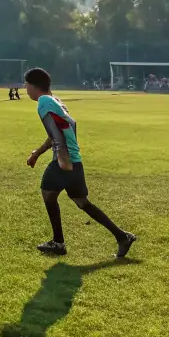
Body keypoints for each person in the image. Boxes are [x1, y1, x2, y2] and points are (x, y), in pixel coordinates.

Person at [24, 66, 136, 259]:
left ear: (34, 86)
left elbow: (57, 135)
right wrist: (37, 153)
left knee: (48, 193)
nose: (25, 90)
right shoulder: (55, 101)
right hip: (75, 161)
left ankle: (58, 243)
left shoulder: (43, 102)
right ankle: (122, 236)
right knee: (82, 202)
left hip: (65, 162)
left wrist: (62, 160)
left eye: (26, 85)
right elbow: (61, 131)